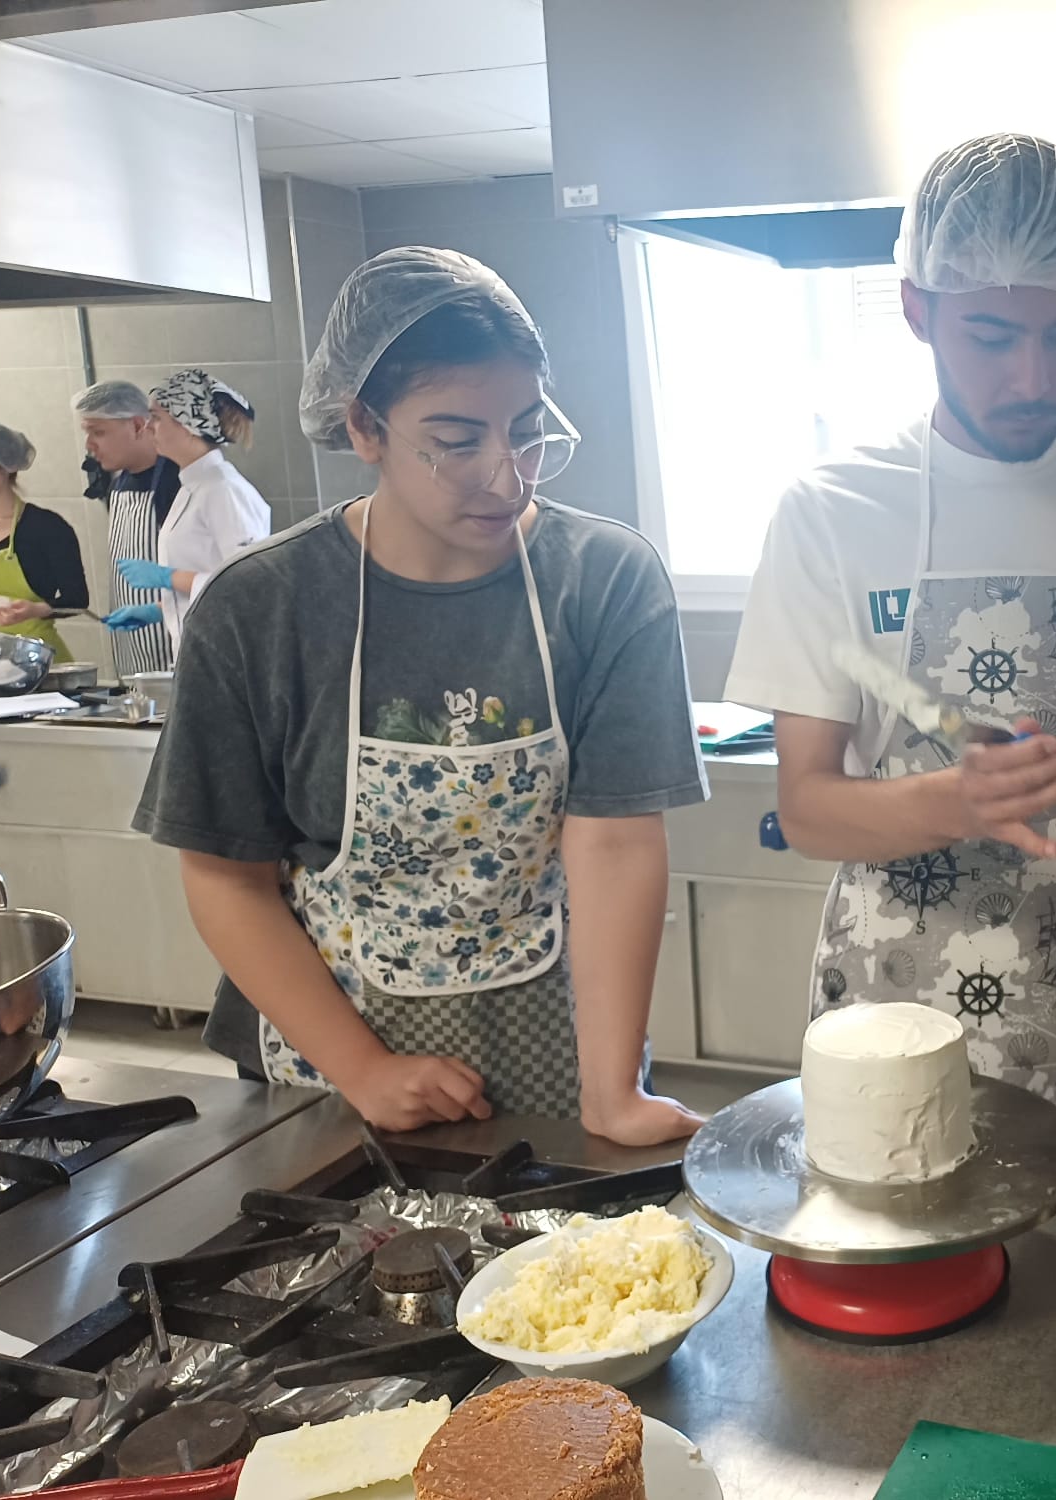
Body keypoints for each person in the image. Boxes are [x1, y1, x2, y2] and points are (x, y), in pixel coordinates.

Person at [724, 134, 1056, 1186]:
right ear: (916, 309)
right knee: (909, 1248)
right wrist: (959, 800)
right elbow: (809, 806)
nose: (1033, 377)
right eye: (990, 334)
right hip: (897, 999)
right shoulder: (833, 509)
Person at [134, 247, 710, 1145]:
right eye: (456, 441)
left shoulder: (603, 580)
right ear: (365, 428)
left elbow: (615, 843)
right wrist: (363, 1070)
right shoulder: (262, 605)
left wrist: (611, 1095)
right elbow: (224, 874)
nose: (506, 476)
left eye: (527, 431)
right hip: (326, 1080)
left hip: (563, 1054)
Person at [104, 368, 270, 650]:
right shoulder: (192, 487)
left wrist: (166, 577)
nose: (148, 427)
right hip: (199, 650)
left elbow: (249, 583)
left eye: (156, 418)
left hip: (230, 653)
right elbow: (208, 576)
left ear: (188, 425)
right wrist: (160, 609)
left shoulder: (224, 489)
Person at [74, 381, 182, 674]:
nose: (89, 445)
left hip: (173, 651)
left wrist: (157, 610)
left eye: (98, 432)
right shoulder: (118, 484)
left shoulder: (175, 481)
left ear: (137, 425)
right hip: (131, 654)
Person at [0, 423, 88, 660]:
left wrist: (37, 609)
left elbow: (77, 600)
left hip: (37, 662)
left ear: (5, 466)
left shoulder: (46, 527)